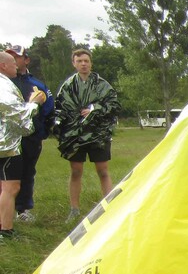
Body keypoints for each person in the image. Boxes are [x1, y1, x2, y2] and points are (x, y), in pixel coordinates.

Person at [55, 48, 121, 222]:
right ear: (74, 63)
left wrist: (95, 110)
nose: (83, 64)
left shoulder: (102, 84)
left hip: (98, 134)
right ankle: (74, 209)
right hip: (75, 136)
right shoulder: (68, 86)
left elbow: (113, 104)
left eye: (86, 60)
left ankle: (109, 206)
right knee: (76, 171)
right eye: (79, 61)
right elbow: (60, 108)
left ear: (91, 63)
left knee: (103, 171)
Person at [5, 45, 55, 222]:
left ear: (26, 60)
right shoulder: (4, 83)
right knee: (6, 177)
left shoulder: (37, 85)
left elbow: (49, 110)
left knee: (27, 173)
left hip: (30, 137)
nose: (14, 61)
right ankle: (5, 213)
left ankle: (23, 210)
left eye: (16, 57)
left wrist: (40, 132)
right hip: (7, 138)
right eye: (10, 57)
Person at [0, 52, 46, 238]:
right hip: (6, 145)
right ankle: (6, 231)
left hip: (7, 142)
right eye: (12, 63)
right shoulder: (3, 86)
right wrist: (34, 103)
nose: (16, 67)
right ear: (3, 65)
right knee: (11, 187)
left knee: (6, 187)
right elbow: (16, 114)